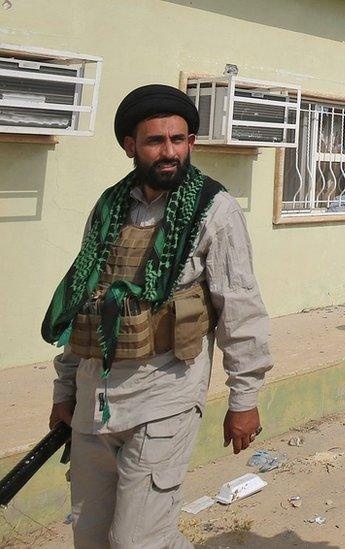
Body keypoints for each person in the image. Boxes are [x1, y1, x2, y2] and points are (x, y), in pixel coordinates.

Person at [43, 84, 273, 547]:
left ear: (190, 142)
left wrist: (244, 398)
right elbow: (84, 303)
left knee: (138, 541)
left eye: (179, 140)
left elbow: (241, 309)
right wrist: (64, 389)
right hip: (95, 401)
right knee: (90, 538)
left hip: (164, 396)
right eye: (155, 141)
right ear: (131, 146)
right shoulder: (109, 209)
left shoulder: (214, 209)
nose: (169, 152)